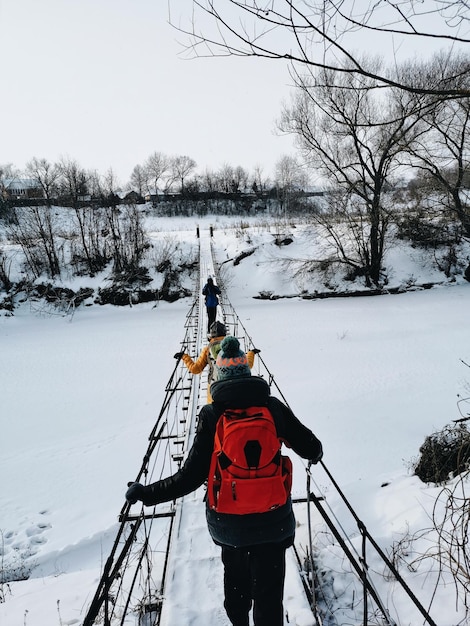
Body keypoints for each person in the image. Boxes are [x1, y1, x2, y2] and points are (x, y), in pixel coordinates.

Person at [126, 336, 323, 626]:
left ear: (217, 375)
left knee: (236, 585)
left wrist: (146, 493)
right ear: (247, 371)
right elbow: (311, 446)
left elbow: (189, 477)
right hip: (274, 520)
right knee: (270, 595)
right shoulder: (273, 407)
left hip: (229, 524)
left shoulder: (211, 413)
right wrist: (315, 453)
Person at [174, 321, 258, 403]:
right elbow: (247, 365)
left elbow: (196, 369)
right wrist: (251, 353)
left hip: (215, 386)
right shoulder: (233, 347)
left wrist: (184, 357)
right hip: (236, 384)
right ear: (225, 333)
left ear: (211, 335)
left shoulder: (207, 350)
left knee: (215, 412)